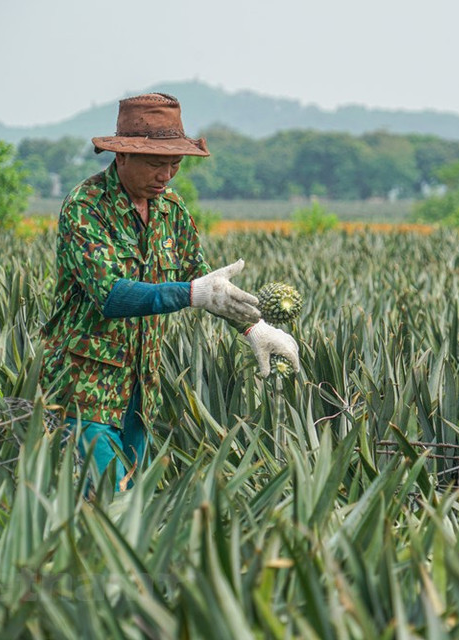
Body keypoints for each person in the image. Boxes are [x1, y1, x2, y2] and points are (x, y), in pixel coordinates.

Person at [40, 92, 300, 490]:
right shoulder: (86, 206)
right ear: (122, 156)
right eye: (156, 165)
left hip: (141, 395)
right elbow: (112, 296)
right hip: (84, 390)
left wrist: (254, 328)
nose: (166, 176)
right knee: (112, 503)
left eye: (175, 165)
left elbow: (203, 280)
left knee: (130, 511)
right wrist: (192, 293)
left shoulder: (172, 209)